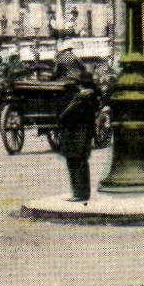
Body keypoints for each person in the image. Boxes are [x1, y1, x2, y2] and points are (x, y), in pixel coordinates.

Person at [56, 72, 101, 202]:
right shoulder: (86, 97)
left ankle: (80, 193)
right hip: (79, 134)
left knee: (77, 163)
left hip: (77, 134)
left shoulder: (83, 98)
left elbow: (65, 115)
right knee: (77, 163)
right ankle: (80, 192)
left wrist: (77, 99)